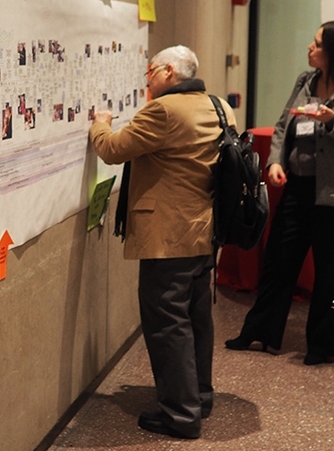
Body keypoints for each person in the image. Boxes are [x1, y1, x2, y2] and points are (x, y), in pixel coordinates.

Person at [89, 45, 235, 439]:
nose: (146, 80)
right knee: (196, 318)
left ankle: (180, 414)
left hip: (168, 238)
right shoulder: (219, 106)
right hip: (205, 232)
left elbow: (113, 149)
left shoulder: (164, 111)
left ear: (169, 71)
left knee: (167, 325)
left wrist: (101, 122)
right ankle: (199, 396)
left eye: (149, 72)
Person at [225, 20, 334, 365]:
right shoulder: (305, 81)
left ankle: (322, 347)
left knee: (329, 272)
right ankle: (261, 333)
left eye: (317, 44)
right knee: (279, 263)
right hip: (298, 186)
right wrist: (276, 161)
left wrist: (332, 121)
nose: (310, 49)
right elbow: (283, 125)